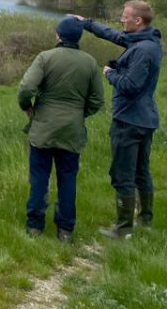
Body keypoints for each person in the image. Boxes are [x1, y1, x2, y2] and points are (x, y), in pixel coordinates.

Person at [73, 0, 162, 239]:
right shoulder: (147, 41)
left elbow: (131, 85)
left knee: (124, 173)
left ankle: (123, 229)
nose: (121, 19)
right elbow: (114, 35)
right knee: (142, 171)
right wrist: (87, 25)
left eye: (125, 16)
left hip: (130, 120)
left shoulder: (142, 50)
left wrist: (110, 73)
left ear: (138, 21)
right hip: (145, 119)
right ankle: (145, 221)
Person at [18, 16, 104, 243]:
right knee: (67, 180)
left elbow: (26, 87)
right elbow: (97, 100)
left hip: (43, 130)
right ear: (79, 37)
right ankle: (65, 231)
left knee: (39, 178)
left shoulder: (45, 57)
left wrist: (27, 107)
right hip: (72, 131)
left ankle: (34, 226)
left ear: (58, 35)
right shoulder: (90, 62)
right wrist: (78, 114)